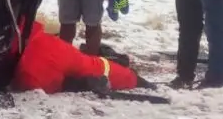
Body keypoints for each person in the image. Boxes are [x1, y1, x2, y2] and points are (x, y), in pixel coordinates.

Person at [13, 20, 147, 95]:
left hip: (37, 54)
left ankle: (133, 77)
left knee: (90, 65)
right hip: (33, 44)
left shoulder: (33, 72)